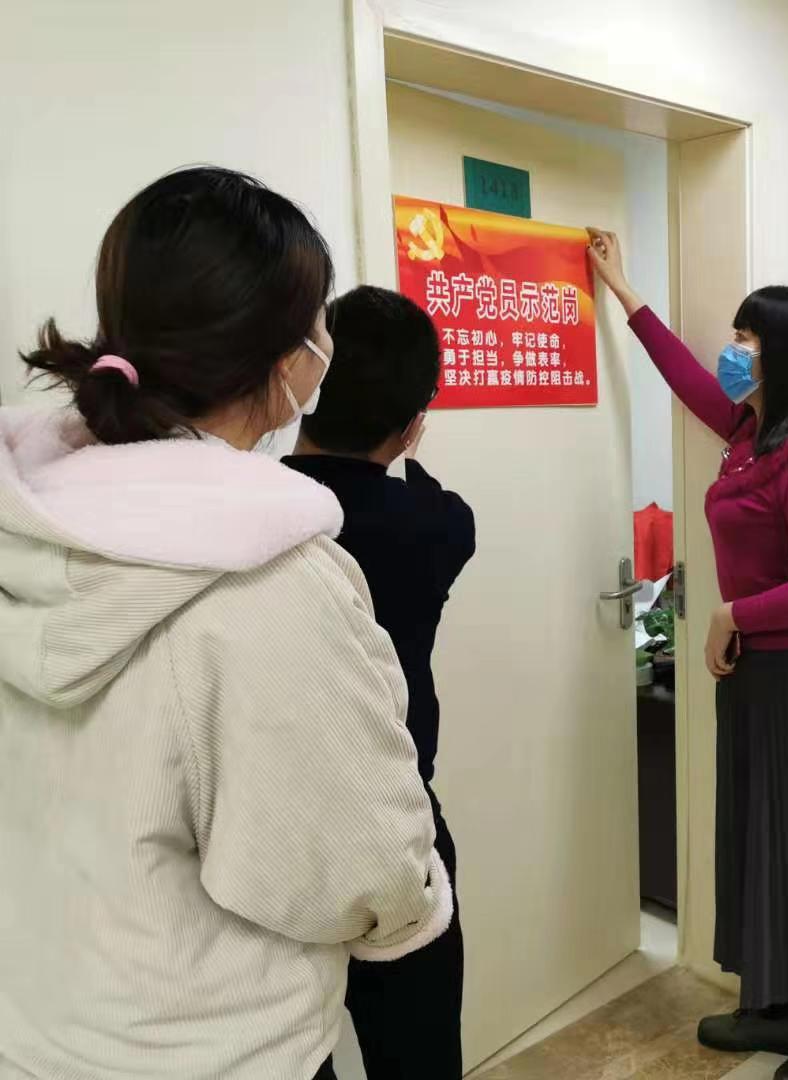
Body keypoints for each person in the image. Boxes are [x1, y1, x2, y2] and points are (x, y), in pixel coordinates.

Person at [0, 168, 451, 1080]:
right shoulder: (270, 584)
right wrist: (416, 900)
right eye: (320, 320)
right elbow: (359, 867)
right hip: (219, 1053)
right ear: (288, 359)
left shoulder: (26, 528)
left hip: (41, 1032)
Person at [587, 228, 788, 1080]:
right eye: (736, 335)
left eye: (748, 338)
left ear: (786, 353)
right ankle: (780, 1008)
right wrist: (623, 291)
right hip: (753, 673)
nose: (733, 349)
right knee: (761, 837)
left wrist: (727, 616)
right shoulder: (752, 429)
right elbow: (686, 377)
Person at [284, 285, 476, 1080]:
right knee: (419, 1059)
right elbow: (439, 501)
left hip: (273, 844)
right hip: (396, 833)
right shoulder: (435, 526)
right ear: (410, 422)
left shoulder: (260, 519)